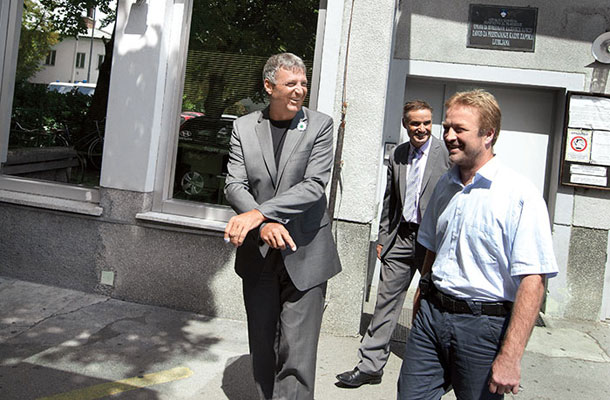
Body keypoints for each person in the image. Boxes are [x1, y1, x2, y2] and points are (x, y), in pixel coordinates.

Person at [397, 89, 559, 399]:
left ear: (488, 135)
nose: (448, 136)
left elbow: (534, 280)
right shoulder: (445, 184)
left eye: (459, 129)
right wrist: (421, 301)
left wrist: (511, 357)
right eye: (446, 127)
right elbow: (431, 250)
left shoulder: (519, 195)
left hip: (483, 327)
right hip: (432, 317)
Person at [223, 53, 341, 400]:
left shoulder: (320, 125)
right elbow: (234, 185)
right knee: (262, 346)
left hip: (305, 252)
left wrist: (259, 216)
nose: (300, 90)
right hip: (259, 255)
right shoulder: (243, 127)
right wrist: (262, 228)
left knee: (297, 355)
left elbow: (313, 184)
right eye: (291, 83)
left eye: (303, 83)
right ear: (269, 86)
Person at [336, 100, 450, 388]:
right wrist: (384, 237)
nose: (421, 128)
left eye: (426, 122)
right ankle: (370, 366)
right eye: (415, 123)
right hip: (401, 238)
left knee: (434, 305)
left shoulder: (446, 154)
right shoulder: (399, 153)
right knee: (385, 302)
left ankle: (442, 369)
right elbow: (390, 199)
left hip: (433, 242)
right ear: (405, 124)